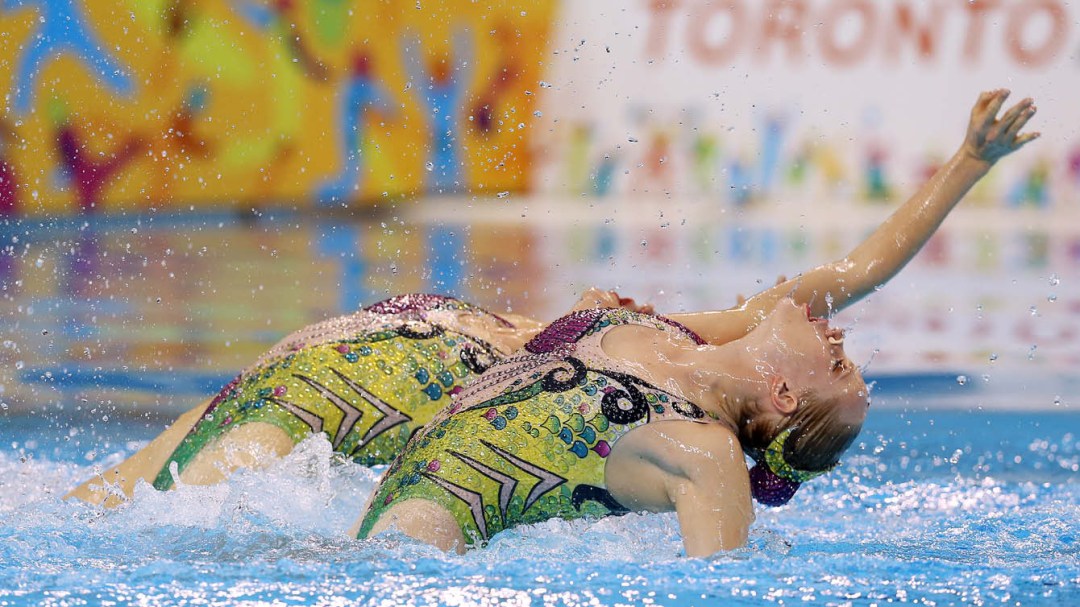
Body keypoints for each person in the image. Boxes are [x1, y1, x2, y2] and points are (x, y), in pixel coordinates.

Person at [353, 90, 1038, 557]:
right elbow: (859, 271)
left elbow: (720, 588)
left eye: (836, 363)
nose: (838, 333)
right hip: (381, 498)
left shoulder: (707, 450)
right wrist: (968, 162)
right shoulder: (680, 340)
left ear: (784, 395)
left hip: (427, 539)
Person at [66, 290, 648, 507]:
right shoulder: (509, 330)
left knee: (141, 515)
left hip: (278, 415)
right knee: (113, 503)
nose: (629, 304)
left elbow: (731, 335)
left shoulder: (541, 370)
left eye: (636, 316)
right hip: (270, 387)